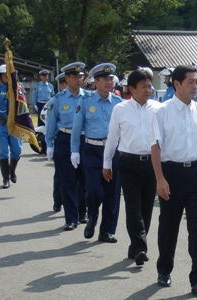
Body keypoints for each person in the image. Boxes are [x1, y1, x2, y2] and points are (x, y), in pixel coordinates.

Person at [151, 65, 197, 298]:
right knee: (168, 226)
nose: (195, 86)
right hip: (171, 173)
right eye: (190, 82)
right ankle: (164, 270)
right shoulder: (162, 111)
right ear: (176, 84)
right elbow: (155, 147)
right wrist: (160, 179)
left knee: (196, 230)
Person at [103, 69, 161, 265]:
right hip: (128, 163)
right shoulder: (120, 109)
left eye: (149, 85)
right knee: (133, 206)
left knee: (146, 208)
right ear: (131, 89)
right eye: (143, 86)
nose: (148, 89)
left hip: (152, 164)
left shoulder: (158, 108)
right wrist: (106, 163)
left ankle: (135, 247)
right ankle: (141, 248)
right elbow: (112, 138)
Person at [71, 63, 122, 243]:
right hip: (92, 150)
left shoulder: (118, 103)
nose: (109, 82)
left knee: (112, 192)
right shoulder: (85, 101)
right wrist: (74, 151)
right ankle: (92, 219)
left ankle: (107, 230)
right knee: (94, 190)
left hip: (113, 150)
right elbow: (77, 129)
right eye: (105, 79)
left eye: (111, 79)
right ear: (96, 81)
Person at [46, 62, 88, 230]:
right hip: (64, 139)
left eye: (80, 77)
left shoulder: (89, 97)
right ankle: (70, 218)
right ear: (67, 78)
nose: (79, 80)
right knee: (67, 180)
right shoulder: (57, 99)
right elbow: (51, 122)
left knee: (84, 179)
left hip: (85, 140)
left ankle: (82, 212)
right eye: (75, 77)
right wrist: (49, 144)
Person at [0, 64, 23, 188]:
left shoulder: (19, 87)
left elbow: (23, 103)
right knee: (4, 152)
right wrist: (7, 94)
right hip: (2, 123)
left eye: (10, 76)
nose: (7, 78)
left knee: (17, 151)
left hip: (15, 123)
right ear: (1, 77)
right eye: (5, 76)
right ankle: (6, 179)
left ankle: (11, 171)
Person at [52, 72, 67, 213]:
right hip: (61, 139)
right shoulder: (57, 99)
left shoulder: (84, 97)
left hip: (78, 140)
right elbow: (49, 119)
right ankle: (58, 201)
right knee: (60, 174)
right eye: (64, 83)